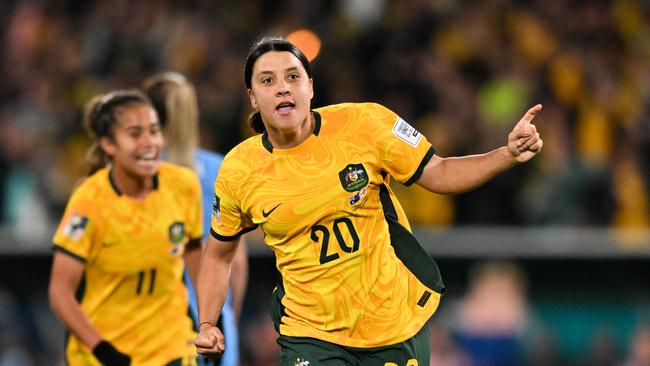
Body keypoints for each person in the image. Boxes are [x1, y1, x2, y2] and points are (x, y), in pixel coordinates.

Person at [193, 37, 543, 365]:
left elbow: (439, 172)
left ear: (310, 86)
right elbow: (219, 253)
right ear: (252, 97)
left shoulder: (366, 124)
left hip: (391, 322)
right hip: (309, 331)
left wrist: (506, 154)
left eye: (292, 76)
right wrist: (208, 322)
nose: (282, 87)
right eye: (267, 81)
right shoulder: (239, 169)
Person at [48, 90, 203, 366]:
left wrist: (210, 321)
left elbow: (195, 258)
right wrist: (102, 349)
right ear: (109, 144)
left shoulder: (184, 185)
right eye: (135, 134)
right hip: (103, 354)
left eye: (154, 131)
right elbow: (60, 292)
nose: (149, 143)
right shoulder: (89, 201)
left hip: (171, 347)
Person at [143, 72, 248, 366]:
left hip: (152, 324)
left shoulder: (137, 176)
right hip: (210, 321)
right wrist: (227, 318)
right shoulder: (219, 169)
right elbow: (235, 262)